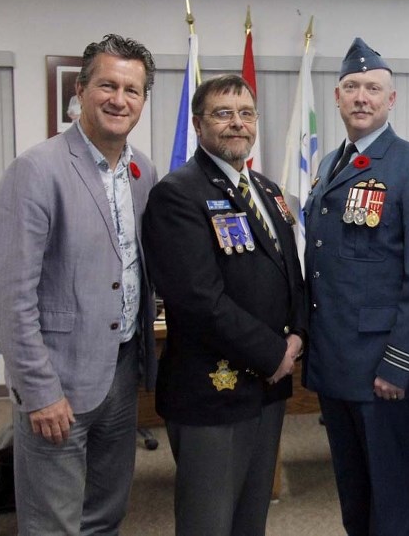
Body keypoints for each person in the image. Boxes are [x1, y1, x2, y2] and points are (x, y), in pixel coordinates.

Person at [0, 34, 157, 535]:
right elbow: (8, 297)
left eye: (132, 90)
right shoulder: (36, 171)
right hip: (57, 380)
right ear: (80, 91)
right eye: (107, 85)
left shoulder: (142, 171)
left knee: (106, 513)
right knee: (53, 524)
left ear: (143, 101)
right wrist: (39, 393)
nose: (119, 99)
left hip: (121, 372)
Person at [142, 74, 306, 536]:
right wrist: (274, 353)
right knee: (208, 522)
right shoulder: (178, 194)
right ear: (198, 124)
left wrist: (298, 334)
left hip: (267, 389)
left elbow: (292, 274)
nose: (237, 123)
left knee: (250, 518)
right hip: (213, 390)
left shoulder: (269, 191)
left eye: (246, 113)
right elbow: (198, 299)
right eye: (223, 113)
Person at [303, 37, 409, 536]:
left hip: (382, 365)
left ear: (392, 100)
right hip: (336, 359)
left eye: (373, 88)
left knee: (388, 494)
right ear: (337, 97)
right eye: (351, 87)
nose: (361, 96)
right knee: (353, 488)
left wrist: (400, 363)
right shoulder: (330, 164)